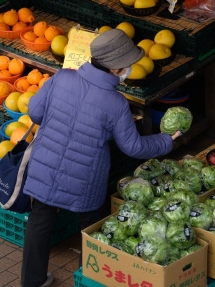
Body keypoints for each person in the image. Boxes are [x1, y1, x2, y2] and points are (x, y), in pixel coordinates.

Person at [20, 29, 182, 287]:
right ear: (116, 69)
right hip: (85, 176)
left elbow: (36, 112)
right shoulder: (116, 103)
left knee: (40, 217)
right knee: (91, 227)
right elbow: (133, 147)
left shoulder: (61, 77)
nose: (130, 68)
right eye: (127, 65)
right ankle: (89, 279)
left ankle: (32, 281)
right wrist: (166, 140)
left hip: (44, 165)